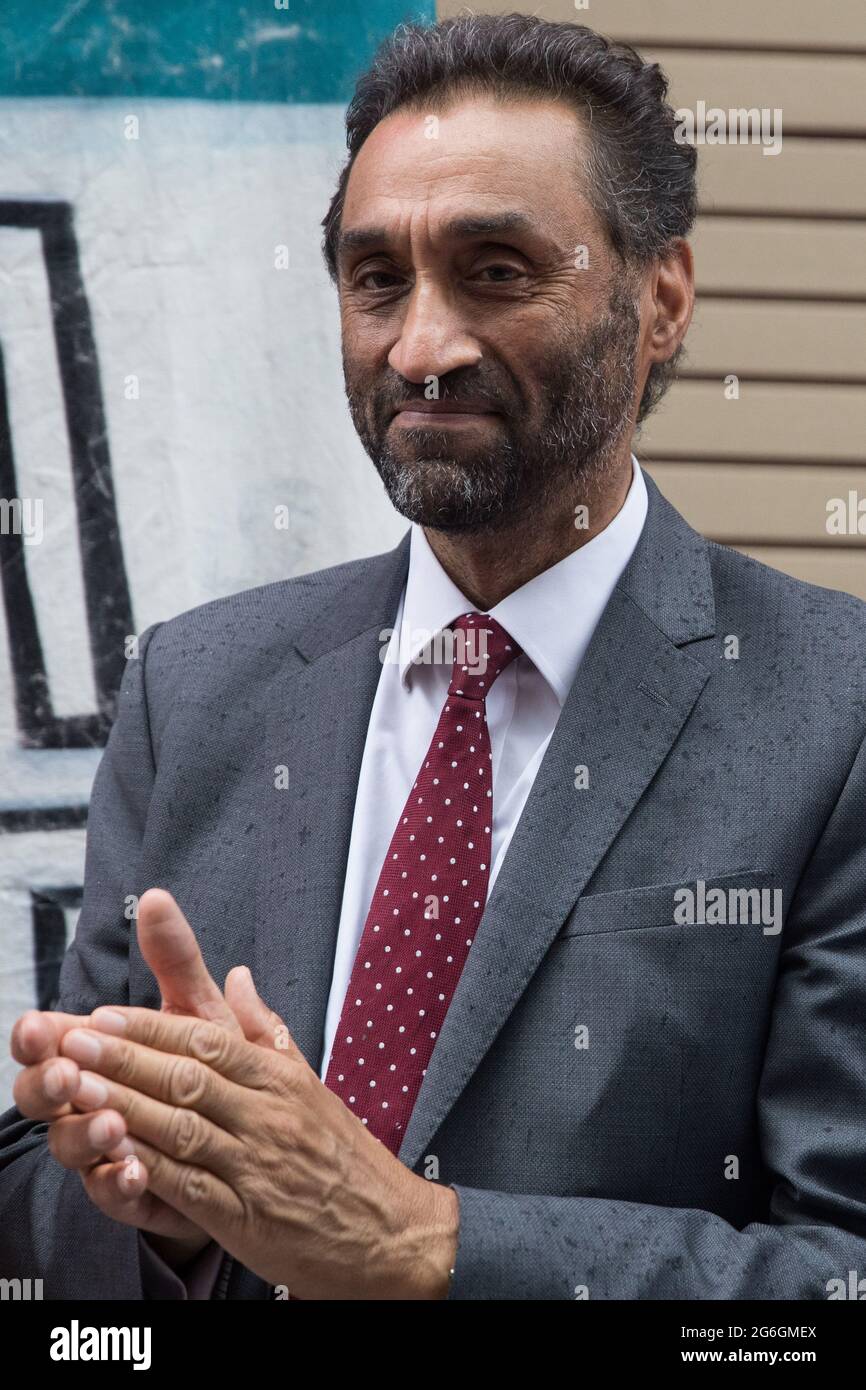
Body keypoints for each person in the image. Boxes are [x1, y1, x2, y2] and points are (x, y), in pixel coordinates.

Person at [3, 14, 866, 1300]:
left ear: (661, 299)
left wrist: (427, 1248)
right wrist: (174, 1208)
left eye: (497, 270)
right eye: (375, 280)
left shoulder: (829, 711)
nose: (420, 347)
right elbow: (44, 1222)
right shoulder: (198, 688)